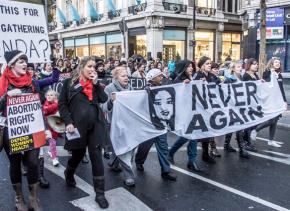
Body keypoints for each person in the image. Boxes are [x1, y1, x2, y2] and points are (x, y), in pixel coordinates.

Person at [0, 50, 59, 210]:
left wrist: (45, 128)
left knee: (33, 162)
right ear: (11, 65)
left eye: (26, 61)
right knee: (15, 162)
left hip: (33, 128)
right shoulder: (3, 82)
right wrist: (6, 96)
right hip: (10, 129)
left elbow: (38, 107)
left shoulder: (32, 82)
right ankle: (19, 198)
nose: (25, 64)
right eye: (21, 61)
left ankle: (34, 198)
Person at [59, 56, 109, 209]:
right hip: (77, 128)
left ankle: (100, 194)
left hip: (95, 127)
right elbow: (62, 104)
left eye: (94, 67)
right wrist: (68, 122)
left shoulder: (95, 84)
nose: (93, 69)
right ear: (81, 67)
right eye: (90, 66)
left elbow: (103, 99)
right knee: (78, 155)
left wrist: (96, 85)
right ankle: (69, 172)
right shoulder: (69, 83)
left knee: (96, 158)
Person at [135, 68, 177, 181]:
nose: (162, 77)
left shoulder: (163, 87)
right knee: (144, 146)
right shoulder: (144, 89)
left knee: (163, 147)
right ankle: (138, 161)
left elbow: (176, 88)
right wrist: (145, 90)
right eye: (159, 76)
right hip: (148, 125)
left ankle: (166, 170)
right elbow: (136, 100)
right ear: (152, 79)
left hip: (160, 124)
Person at [101, 66, 136, 187]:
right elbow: (103, 107)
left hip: (129, 123)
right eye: (123, 76)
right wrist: (111, 101)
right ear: (116, 78)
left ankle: (114, 163)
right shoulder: (108, 88)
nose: (126, 78)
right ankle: (129, 176)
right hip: (114, 124)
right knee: (122, 149)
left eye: (127, 75)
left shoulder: (131, 88)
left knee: (130, 147)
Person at [168, 60, 201, 172]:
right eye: (188, 67)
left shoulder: (193, 78)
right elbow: (176, 95)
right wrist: (183, 85)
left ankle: (190, 160)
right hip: (184, 112)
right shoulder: (179, 80)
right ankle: (190, 159)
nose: (191, 68)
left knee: (192, 135)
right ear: (183, 68)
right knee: (190, 135)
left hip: (193, 110)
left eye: (192, 66)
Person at [249, 57, 287, 147]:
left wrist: (284, 100)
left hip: (278, 100)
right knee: (271, 119)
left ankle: (271, 140)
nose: (278, 64)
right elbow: (265, 85)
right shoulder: (267, 72)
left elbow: (281, 89)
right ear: (272, 63)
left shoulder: (279, 75)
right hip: (270, 100)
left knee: (276, 120)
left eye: (279, 62)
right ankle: (255, 130)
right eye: (276, 62)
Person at [223, 62, 250, 159]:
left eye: (241, 67)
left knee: (236, 126)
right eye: (238, 67)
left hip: (240, 106)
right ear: (233, 69)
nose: (241, 68)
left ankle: (226, 145)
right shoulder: (229, 79)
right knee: (238, 127)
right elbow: (223, 91)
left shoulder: (241, 78)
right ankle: (241, 149)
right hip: (231, 107)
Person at [193, 56, 216, 164]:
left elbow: (220, 87)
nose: (209, 65)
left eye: (210, 63)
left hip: (209, 107)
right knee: (199, 132)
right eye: (207, 63)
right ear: (201, 65)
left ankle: (205, 154)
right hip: (200, 108)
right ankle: (203, 155)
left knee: (208, 131)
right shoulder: (198, 75)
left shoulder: (211, 75)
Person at [242, 58, 259, 152]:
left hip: (255, 102)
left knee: (255, 122)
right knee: (249, 123)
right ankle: (246, 142)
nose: (256, 65)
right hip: (248, 103)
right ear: (249, 65)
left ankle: (245, 140)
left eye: (257, 64)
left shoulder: (255, 74)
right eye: (254, 64)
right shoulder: (246, 76)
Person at [43, 90, 60, 166]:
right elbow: (47, 109)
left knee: (54, 141)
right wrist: (57, 104)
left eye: (51, 95)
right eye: (48, 95)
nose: (49, 97)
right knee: (52, 142)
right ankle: (54, 158)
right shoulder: (45, 104)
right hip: (47, 127)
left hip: (55, 126)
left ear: (55, 97)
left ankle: (50, 151)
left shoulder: (57, 104)